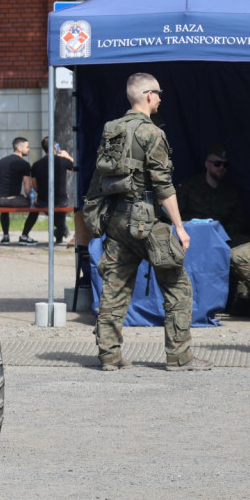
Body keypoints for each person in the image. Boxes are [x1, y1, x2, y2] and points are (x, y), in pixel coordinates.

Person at [89, 72, 211, 371]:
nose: (160, 98)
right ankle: (179, 357)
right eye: (158, 93)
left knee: (114, 288)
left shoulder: (111, 129)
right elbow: (162, 185)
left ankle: (109, 356)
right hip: (147, 222)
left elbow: (100, 176)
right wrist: (180, 227)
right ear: (147, 95)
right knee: (177, 287)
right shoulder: (152, 133)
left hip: (117, 219)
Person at [177, 143, 249, 245]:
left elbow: (239, 221)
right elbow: (175, 215)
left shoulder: (231, 192)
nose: (221, 167)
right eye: (217, 163)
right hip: (191, 237)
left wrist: (219, 230)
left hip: (220, 238)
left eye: (225, 164)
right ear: (207, 164)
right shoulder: (188, 186)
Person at [0, 137, 38, 245]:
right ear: (19, 148)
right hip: (14, 199)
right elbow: (27, 187)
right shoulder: (24, 164)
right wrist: (30, 199)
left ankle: (5, 237)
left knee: (4, 210)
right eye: (27, 147)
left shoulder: (1, 161)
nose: (29, 149)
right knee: (36, 209)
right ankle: (24, 236)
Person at [31, 137, 75, 244]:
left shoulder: (36, 165)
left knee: (56, 215)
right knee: (60, 215)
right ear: (55, 147)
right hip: (61, 201)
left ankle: (61, 231)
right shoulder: (62, 161)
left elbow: (34, 185)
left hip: (43, 201)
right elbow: (76, 168)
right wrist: (67, 156)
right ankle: (62, 231)